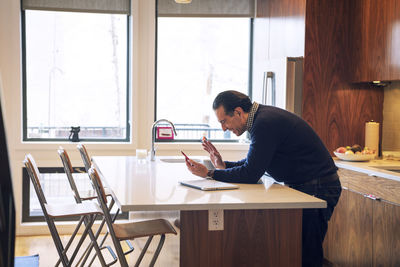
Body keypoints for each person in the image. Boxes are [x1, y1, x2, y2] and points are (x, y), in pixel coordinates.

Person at [185, 90, 341, 267]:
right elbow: (254, 162)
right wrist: (224, 165)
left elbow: (251, 173)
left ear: (237, 112)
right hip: (310, 186)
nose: (223, 128)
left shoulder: (264, 123)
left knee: (306, 255)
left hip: (318, 187)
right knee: (298, 253)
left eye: (224, 121)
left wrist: (209, 173)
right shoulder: (262, 119)